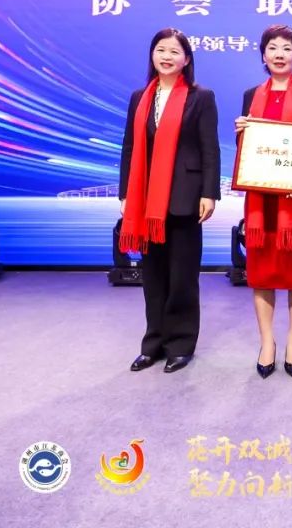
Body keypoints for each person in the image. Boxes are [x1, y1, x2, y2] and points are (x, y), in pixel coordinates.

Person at [119, 28, 220, 374]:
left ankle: (180, 344)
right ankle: (153, 344)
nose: (167, 57)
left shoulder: (200, 97)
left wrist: (209, 192)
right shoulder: (140, 97)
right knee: (153, 275)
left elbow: (210, 148)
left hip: (185, 197)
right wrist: (125, 193)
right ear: (152, 55)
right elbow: (129, 148)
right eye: (161, 50)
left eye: (175, 52)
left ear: (186, 59)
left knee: (182, 276)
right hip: (146, 199)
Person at [235, 25, 292, 379]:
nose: (279, 53)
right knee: (261, 271)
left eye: (287, 48)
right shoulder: (250, 95)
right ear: (263, 55)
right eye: (272, 47)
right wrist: (241, 132)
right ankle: (266, 343)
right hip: (261, 202)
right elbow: (250, 151)